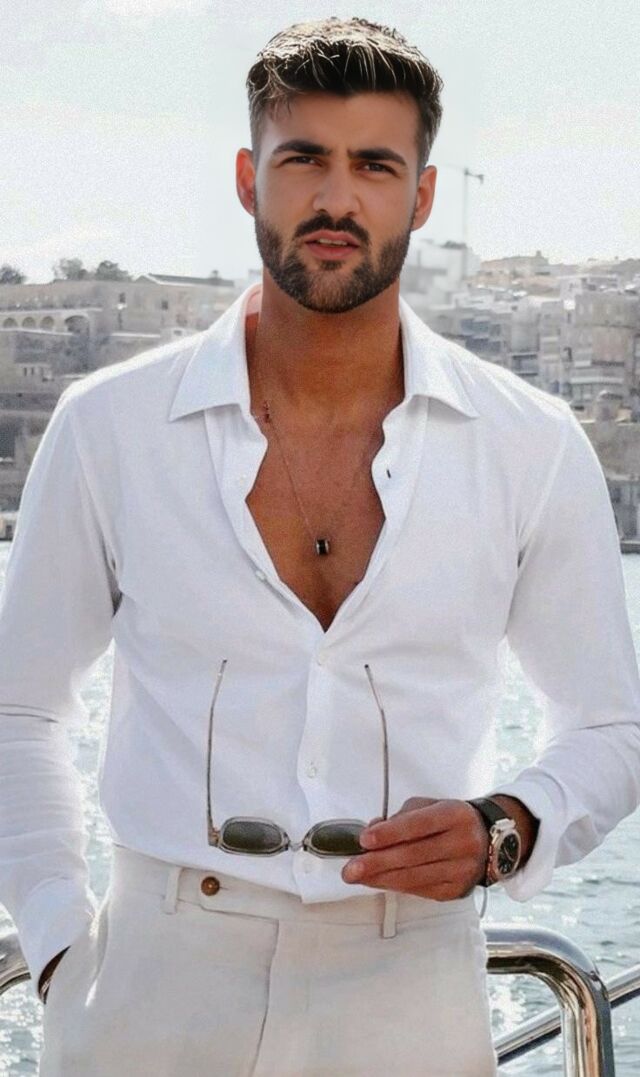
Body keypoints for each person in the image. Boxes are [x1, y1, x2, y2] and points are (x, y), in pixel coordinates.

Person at [1, 15, 639, 1077]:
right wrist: (62, 942)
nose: (337, 199)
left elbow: (613, 725)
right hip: (153, 986)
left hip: (411, 992)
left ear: (420, 196)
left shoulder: (529, 444)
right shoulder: (108, 425)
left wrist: (508, 824)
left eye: (374, 166)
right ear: (249, 178)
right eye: (304, 159)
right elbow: (19, 709)